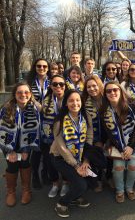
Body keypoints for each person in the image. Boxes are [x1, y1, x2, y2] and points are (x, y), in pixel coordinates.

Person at [50, 90, 93, 218]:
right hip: (60, 157)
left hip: (79, 157)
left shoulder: (86, 116)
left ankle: (75, 196)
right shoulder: (60, 120)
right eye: (71, 100)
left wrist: (86, 161)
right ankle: (61, 204)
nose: (75, 103)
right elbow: (61, 147)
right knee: (81, 184)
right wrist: (76, 166)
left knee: (90, 181)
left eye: (78, 100)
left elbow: (89, 137)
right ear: (66, 103)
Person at [101, 82, 135, 203]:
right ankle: (119, 190)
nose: (112, 93)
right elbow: (109, 133)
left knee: (132, 165)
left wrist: (130, 146)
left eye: (115, 90)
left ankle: (129, 188)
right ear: (105, 94)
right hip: (118, 144)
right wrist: (121, 149)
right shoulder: (104, 111)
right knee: (118, 166)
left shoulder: (132, 105)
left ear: (120, 91)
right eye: (108, 91)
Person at [0, 83, 40, 206]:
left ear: (30, 94)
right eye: (19, 92)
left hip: (27, 144)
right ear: (15, 94)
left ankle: (26, 190)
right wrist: (9, 151)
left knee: (25, 164)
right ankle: (11, 192)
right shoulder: (6, 109)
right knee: (12, 166)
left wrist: (26, 150)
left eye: (26, 92)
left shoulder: (34, 109)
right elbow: (1, 131)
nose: (23, 95)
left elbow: (35, 132)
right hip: (9, 144)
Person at [41, 75, 69, 198]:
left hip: (67, 136)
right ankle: (55, 184)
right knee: (50, 161)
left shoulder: (70, 98)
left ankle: (66, 183)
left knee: (66, 161)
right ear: (51, 86)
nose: (58, 86)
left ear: (65, 86)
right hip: (49, 136)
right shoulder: (46, 99)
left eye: (61, 84)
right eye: (55, 84)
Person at [27, 58, 50, 189]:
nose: (42, 68)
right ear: (35, 67)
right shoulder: (29, 82)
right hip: (33, 120)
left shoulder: (52, 81)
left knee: (47, 150)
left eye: (44, 66)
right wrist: (36, 104)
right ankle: (35, 175)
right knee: (36, 151)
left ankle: (45, 173)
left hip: (48, 121)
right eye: (39, 66)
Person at [82, 75, 106, 192]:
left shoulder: (107, 98)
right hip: (94, 135)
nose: (92, 89)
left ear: (99, 85)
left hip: (109, 135)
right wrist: (95, 141)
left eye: (94, 86)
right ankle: (98, 180)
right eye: (89, 87)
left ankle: (110, 177)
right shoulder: (84, 102)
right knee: (96, 155)